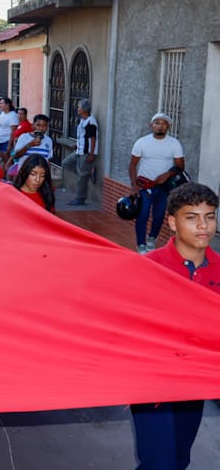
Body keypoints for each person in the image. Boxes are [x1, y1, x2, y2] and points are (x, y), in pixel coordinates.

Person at [130, 182, 220, 470]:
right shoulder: (149, 268)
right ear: (171, 221)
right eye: (192, 217)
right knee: (160, 463)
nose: (203, 225)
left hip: (194, 385)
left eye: (210, 216)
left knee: (179, 459)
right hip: (151, 385)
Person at [128, 112, 185, 253]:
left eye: (164, 123)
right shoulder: (141, 142)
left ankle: (152, 238)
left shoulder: (174, 144)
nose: (160, 126)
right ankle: (141, 244)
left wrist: (168, 174)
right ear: (151, 125)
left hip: (164, 187)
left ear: (168, 127)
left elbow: (180, 167)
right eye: (157, 123)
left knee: (159, 215)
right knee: (143, 214)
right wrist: (134, 186)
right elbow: (133, 165)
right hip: (145, 186)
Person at [62, 99, 99, 206]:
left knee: (81, 178)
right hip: (79, 150)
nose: (77, 109)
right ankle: (87, 173)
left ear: (84, 109)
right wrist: (77, 145)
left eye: (79, 107)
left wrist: (91, 154)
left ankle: (80, 198)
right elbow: (83, 137)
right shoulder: (82, 120)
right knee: (66, 163)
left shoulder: (91, 121)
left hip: (86, 153)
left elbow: (93, 138)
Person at [0, 97, 18, 164]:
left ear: (7, 105)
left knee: (8, 161)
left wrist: (9, 145)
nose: (0, 105)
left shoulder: (13, 115)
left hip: (6, 141)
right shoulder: (2, 113)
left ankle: (8, 174)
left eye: (2, 103)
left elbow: (13, 131)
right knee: (4, 160)